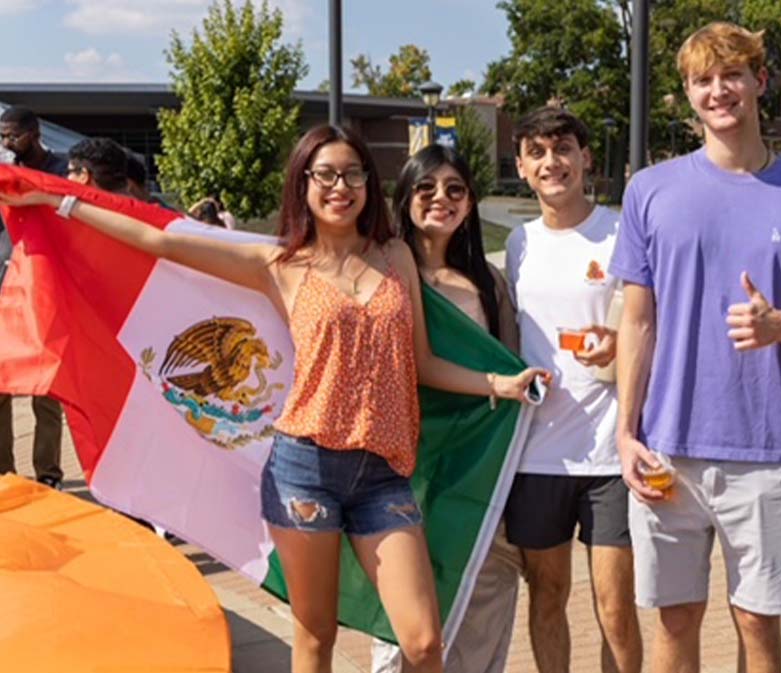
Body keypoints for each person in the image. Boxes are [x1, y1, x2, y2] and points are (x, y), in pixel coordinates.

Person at [0, 124, 550, 673]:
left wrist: (497, 384)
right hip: (306, 472)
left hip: (383, 475)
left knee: (425, 641)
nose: (340, 187)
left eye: (352, 174)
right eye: (325, 175)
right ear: (303, 184)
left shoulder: (394, 258)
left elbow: (422, 362)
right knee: (316, 635)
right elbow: (160, 242)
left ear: (368, 183)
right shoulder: (280, 265)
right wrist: (58, 201)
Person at [608, 23, 781, 673]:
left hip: (764, 449)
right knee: (675, 621)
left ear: (760, 81)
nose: (718, 91)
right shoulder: (649, 190)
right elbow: (637, 322)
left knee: (757, 624)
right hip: (664, 450)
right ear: (688, 94)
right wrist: (626, 434)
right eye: (702, 80)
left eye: (732, 75)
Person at [369, 145, 525, 673]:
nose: (441, 198)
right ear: (405, 197)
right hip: (404, 463)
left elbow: (509, 363)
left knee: (482, 587)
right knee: (403, 608)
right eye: (426, 188)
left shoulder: (488, 283)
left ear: (471, 203)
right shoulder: (381, 270)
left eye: (455, 189)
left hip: (473, 464)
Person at [503, 107, 642, 673]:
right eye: (536, 152)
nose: (551, 162)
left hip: (611, 452)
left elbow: (649, 324)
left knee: (616, 609)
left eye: (562, 149)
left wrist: (620, 345)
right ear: (521, 166)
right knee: (547, 596)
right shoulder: (519, 243)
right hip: (538, 455)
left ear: (585, 158)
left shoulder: (621, 232)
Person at [0, 105, 68, 490]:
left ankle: (48, 474)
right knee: (1, 385)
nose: (8, 143)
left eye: (13, 135)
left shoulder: (61, 171)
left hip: (47, 290)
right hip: (8, 289)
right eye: (2, 137)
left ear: (35, 133)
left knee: (46, 388)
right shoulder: (5, 173)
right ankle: (4, 474)